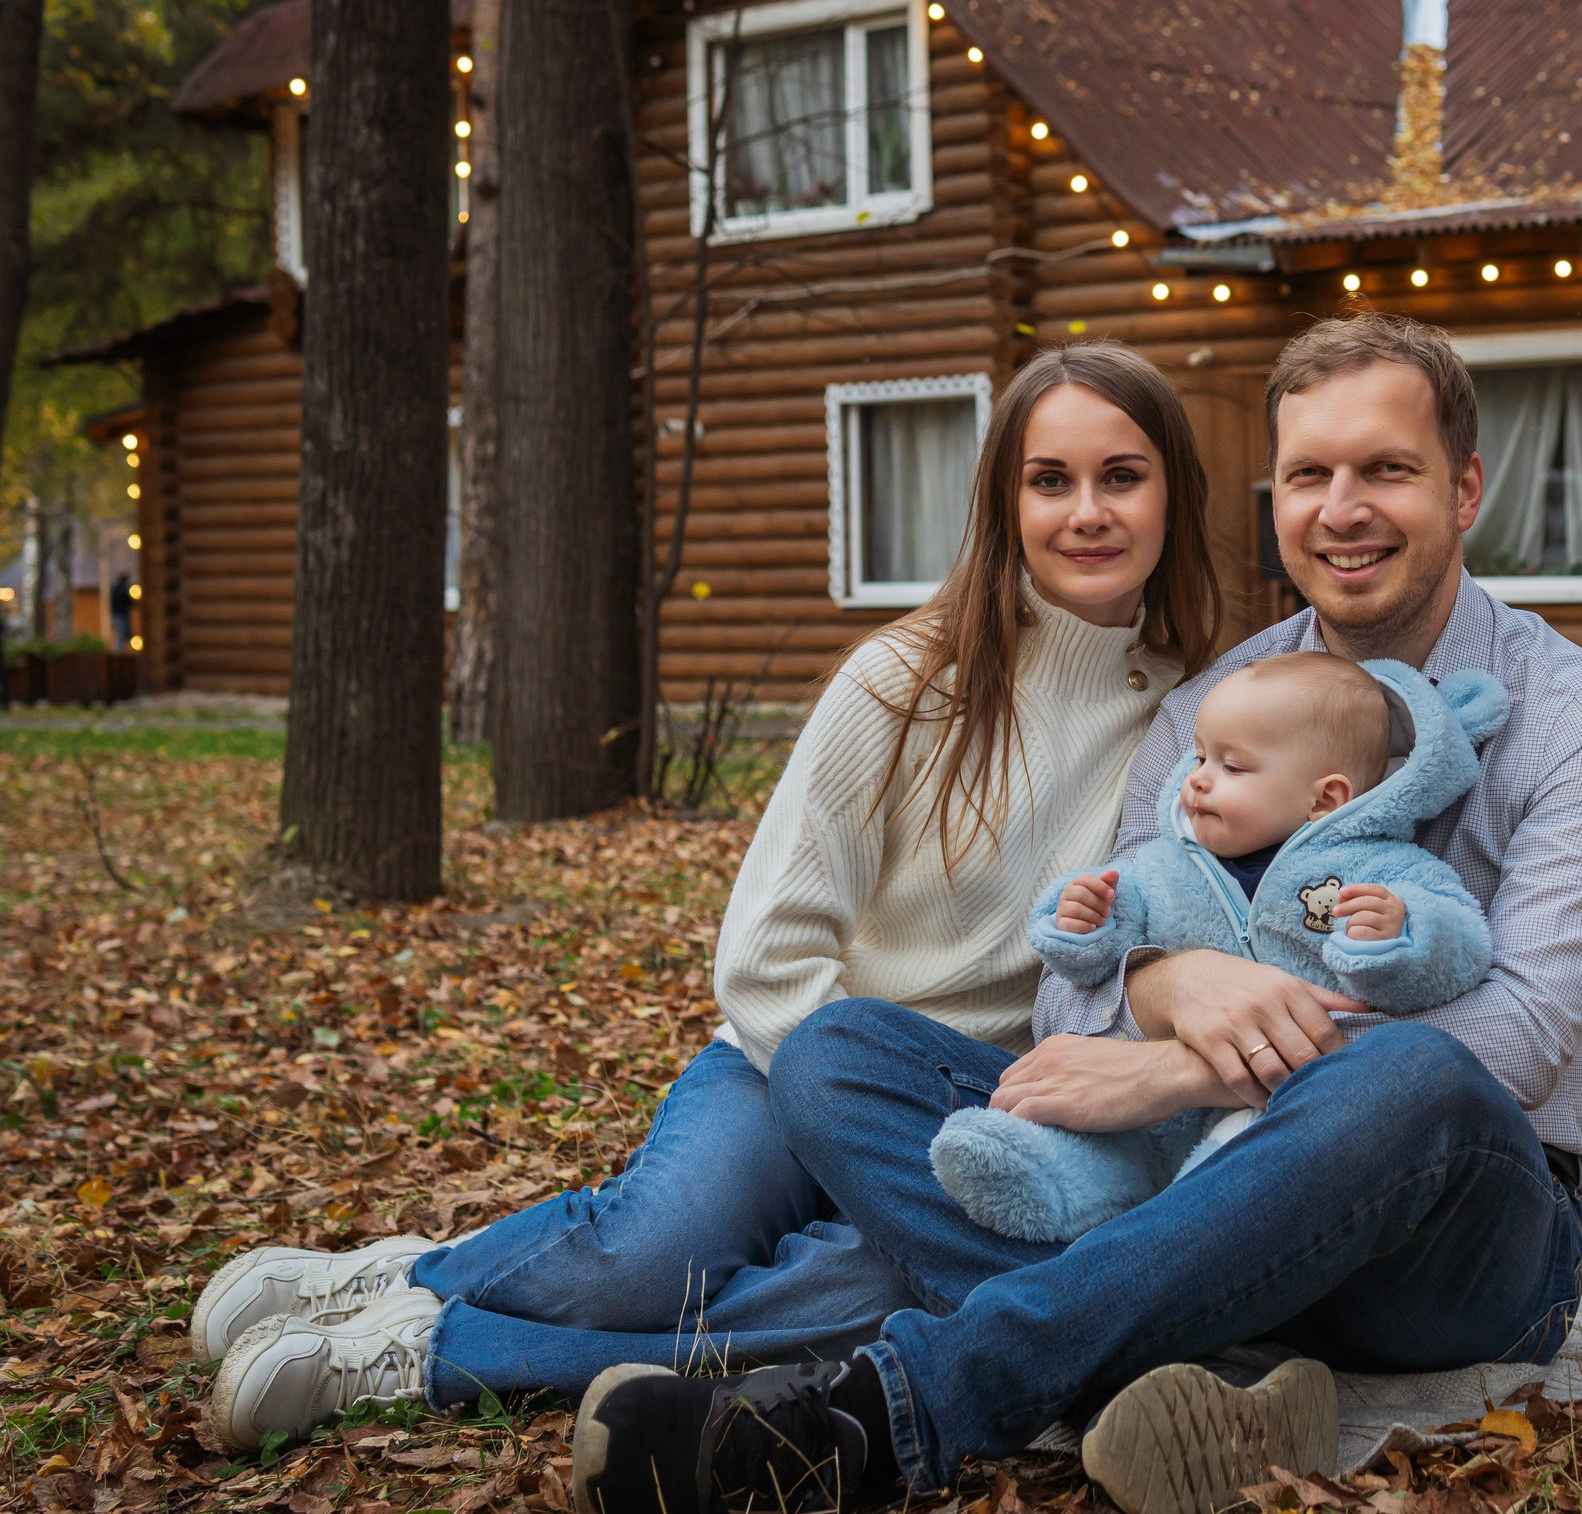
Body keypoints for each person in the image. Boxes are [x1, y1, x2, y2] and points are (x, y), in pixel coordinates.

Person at [568, 313, 1582, 1514]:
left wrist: (1172, 1077)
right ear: (1274, 495)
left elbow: (1521, 1040)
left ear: (1464, 487)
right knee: (837, 1051)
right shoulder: (1209, 708)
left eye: (1386, 469)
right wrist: (1154, 977)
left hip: (1457, 1239)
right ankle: (1201, 1369)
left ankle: (880, 1418)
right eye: (1308, 475)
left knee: (1411, 1075)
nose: (1343, 509)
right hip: (1196, 1193)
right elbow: (1069, 987)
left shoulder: (1579, 719)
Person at [199, 343, 1225, 1448]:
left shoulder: (1193, 722)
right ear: (1002, 502)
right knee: (645, 1258)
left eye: (1121, 477)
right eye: (1048, 480)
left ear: (1171, 493)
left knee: (851, 1308)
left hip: (974, 1109)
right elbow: (770, 955)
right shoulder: (906, 682)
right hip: (795, 1059)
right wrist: (846, 1140)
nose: (1088, 512)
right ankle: (416, 1272)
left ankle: (425, 1350)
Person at [929, 653, 1508, 1242]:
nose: (1198, 778)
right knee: (855, 1038)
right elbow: (1093, 966)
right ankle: (1039, 1186)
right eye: (1200, 756)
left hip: (1289, 1118)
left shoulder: (1378, 870)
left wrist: (1403, 937)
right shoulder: (1166, 865)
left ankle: (1150, 1253)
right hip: (1148, 1112)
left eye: (1231, 766)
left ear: (1325, 799)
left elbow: (1463, 947)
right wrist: (1083, 923)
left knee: (1230, 1179)